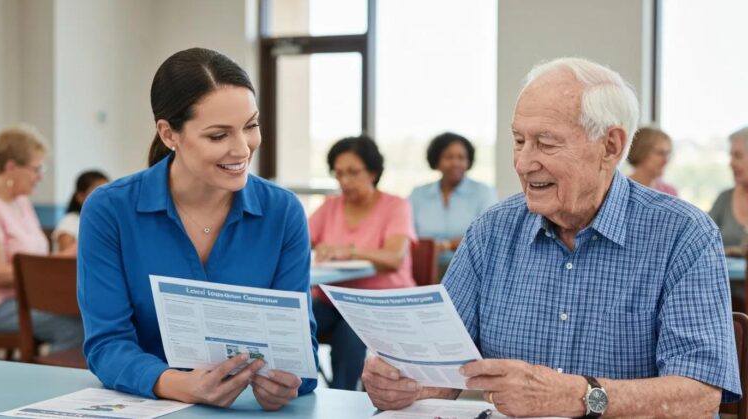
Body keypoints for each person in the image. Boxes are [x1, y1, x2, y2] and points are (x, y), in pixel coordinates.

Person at [361, 57, 740, 418]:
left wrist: (575, 396)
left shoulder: (683, 234)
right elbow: (441, 372)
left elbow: (700, 396)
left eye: (546, 143)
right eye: (519, 140)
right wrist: (403, 385)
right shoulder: (490, 231)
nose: (524, 163)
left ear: (610, 146)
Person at [77, 47, 317, 410]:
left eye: (251, 126)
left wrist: (288, 383)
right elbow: (106, 345)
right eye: (218, 136)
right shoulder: (109, 210)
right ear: (169, 133)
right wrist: (179, 385)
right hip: (147, 407)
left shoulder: (283, 212)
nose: (242, 149)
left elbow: (302, 354)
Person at [310, 135, 416, 390]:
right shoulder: (331, 206)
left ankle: (341, 402)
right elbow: (297, 241)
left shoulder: (395, 206)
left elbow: (393, 258)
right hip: (332, 300)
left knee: (350, 333)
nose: (344, 181)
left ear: (373, 172)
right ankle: (296, 393)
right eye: (339, 174)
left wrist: (349, 250)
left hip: (379, 302)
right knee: (298, 318)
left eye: (353, 173)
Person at [0, 125, 83, 352]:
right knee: (74, 327)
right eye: (36, 169)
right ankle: (56, 384)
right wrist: (57, 260)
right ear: (11, 167)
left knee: (86, 313)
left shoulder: (22, 202)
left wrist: (58, 259)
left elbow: (33, 258)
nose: (40, 177)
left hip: (23, 299)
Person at [409, 132, 497, 273]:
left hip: (469, 269)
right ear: (437, 161)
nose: (455, 163)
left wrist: (445, 245)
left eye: (461, 157)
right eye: (448, 157)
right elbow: (408, 235)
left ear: (468, 162)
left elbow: (487, 235)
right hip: (422, 269)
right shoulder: (418, 195)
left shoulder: (483, 193)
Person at [710, 126, 748, 255]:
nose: (731, 163)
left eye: (738, 156)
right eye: (730, 156)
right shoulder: (724, 199)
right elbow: (704, 244)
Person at [51, 170, 109, 254]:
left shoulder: (106, 222)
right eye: (98, 194)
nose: (104, 199)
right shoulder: (70, 220)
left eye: (107, 193)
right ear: (80, 196)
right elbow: (62, 259)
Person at [627, 126, 678, 196]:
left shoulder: (670, 192)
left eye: (668, 153)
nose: (666, 160)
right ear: (640, 152)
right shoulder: (620, 188)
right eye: (660, 153)